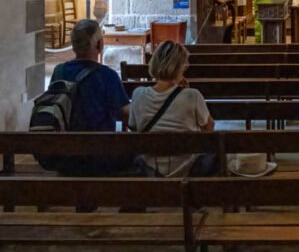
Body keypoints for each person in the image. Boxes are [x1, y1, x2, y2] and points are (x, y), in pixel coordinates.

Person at [49, 19, 134, 175]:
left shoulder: (59, 71)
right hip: (100, 156)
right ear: (99, 45)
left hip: (66, 156)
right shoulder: (107, 75)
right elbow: (125, 114)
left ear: (73, 45)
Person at [129, 41, 217, 177]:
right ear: (180, 67)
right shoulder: (192, 95)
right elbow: (209, 129)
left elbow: (134, 128)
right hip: (188, 168)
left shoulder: (138, 94)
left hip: (150, 168)